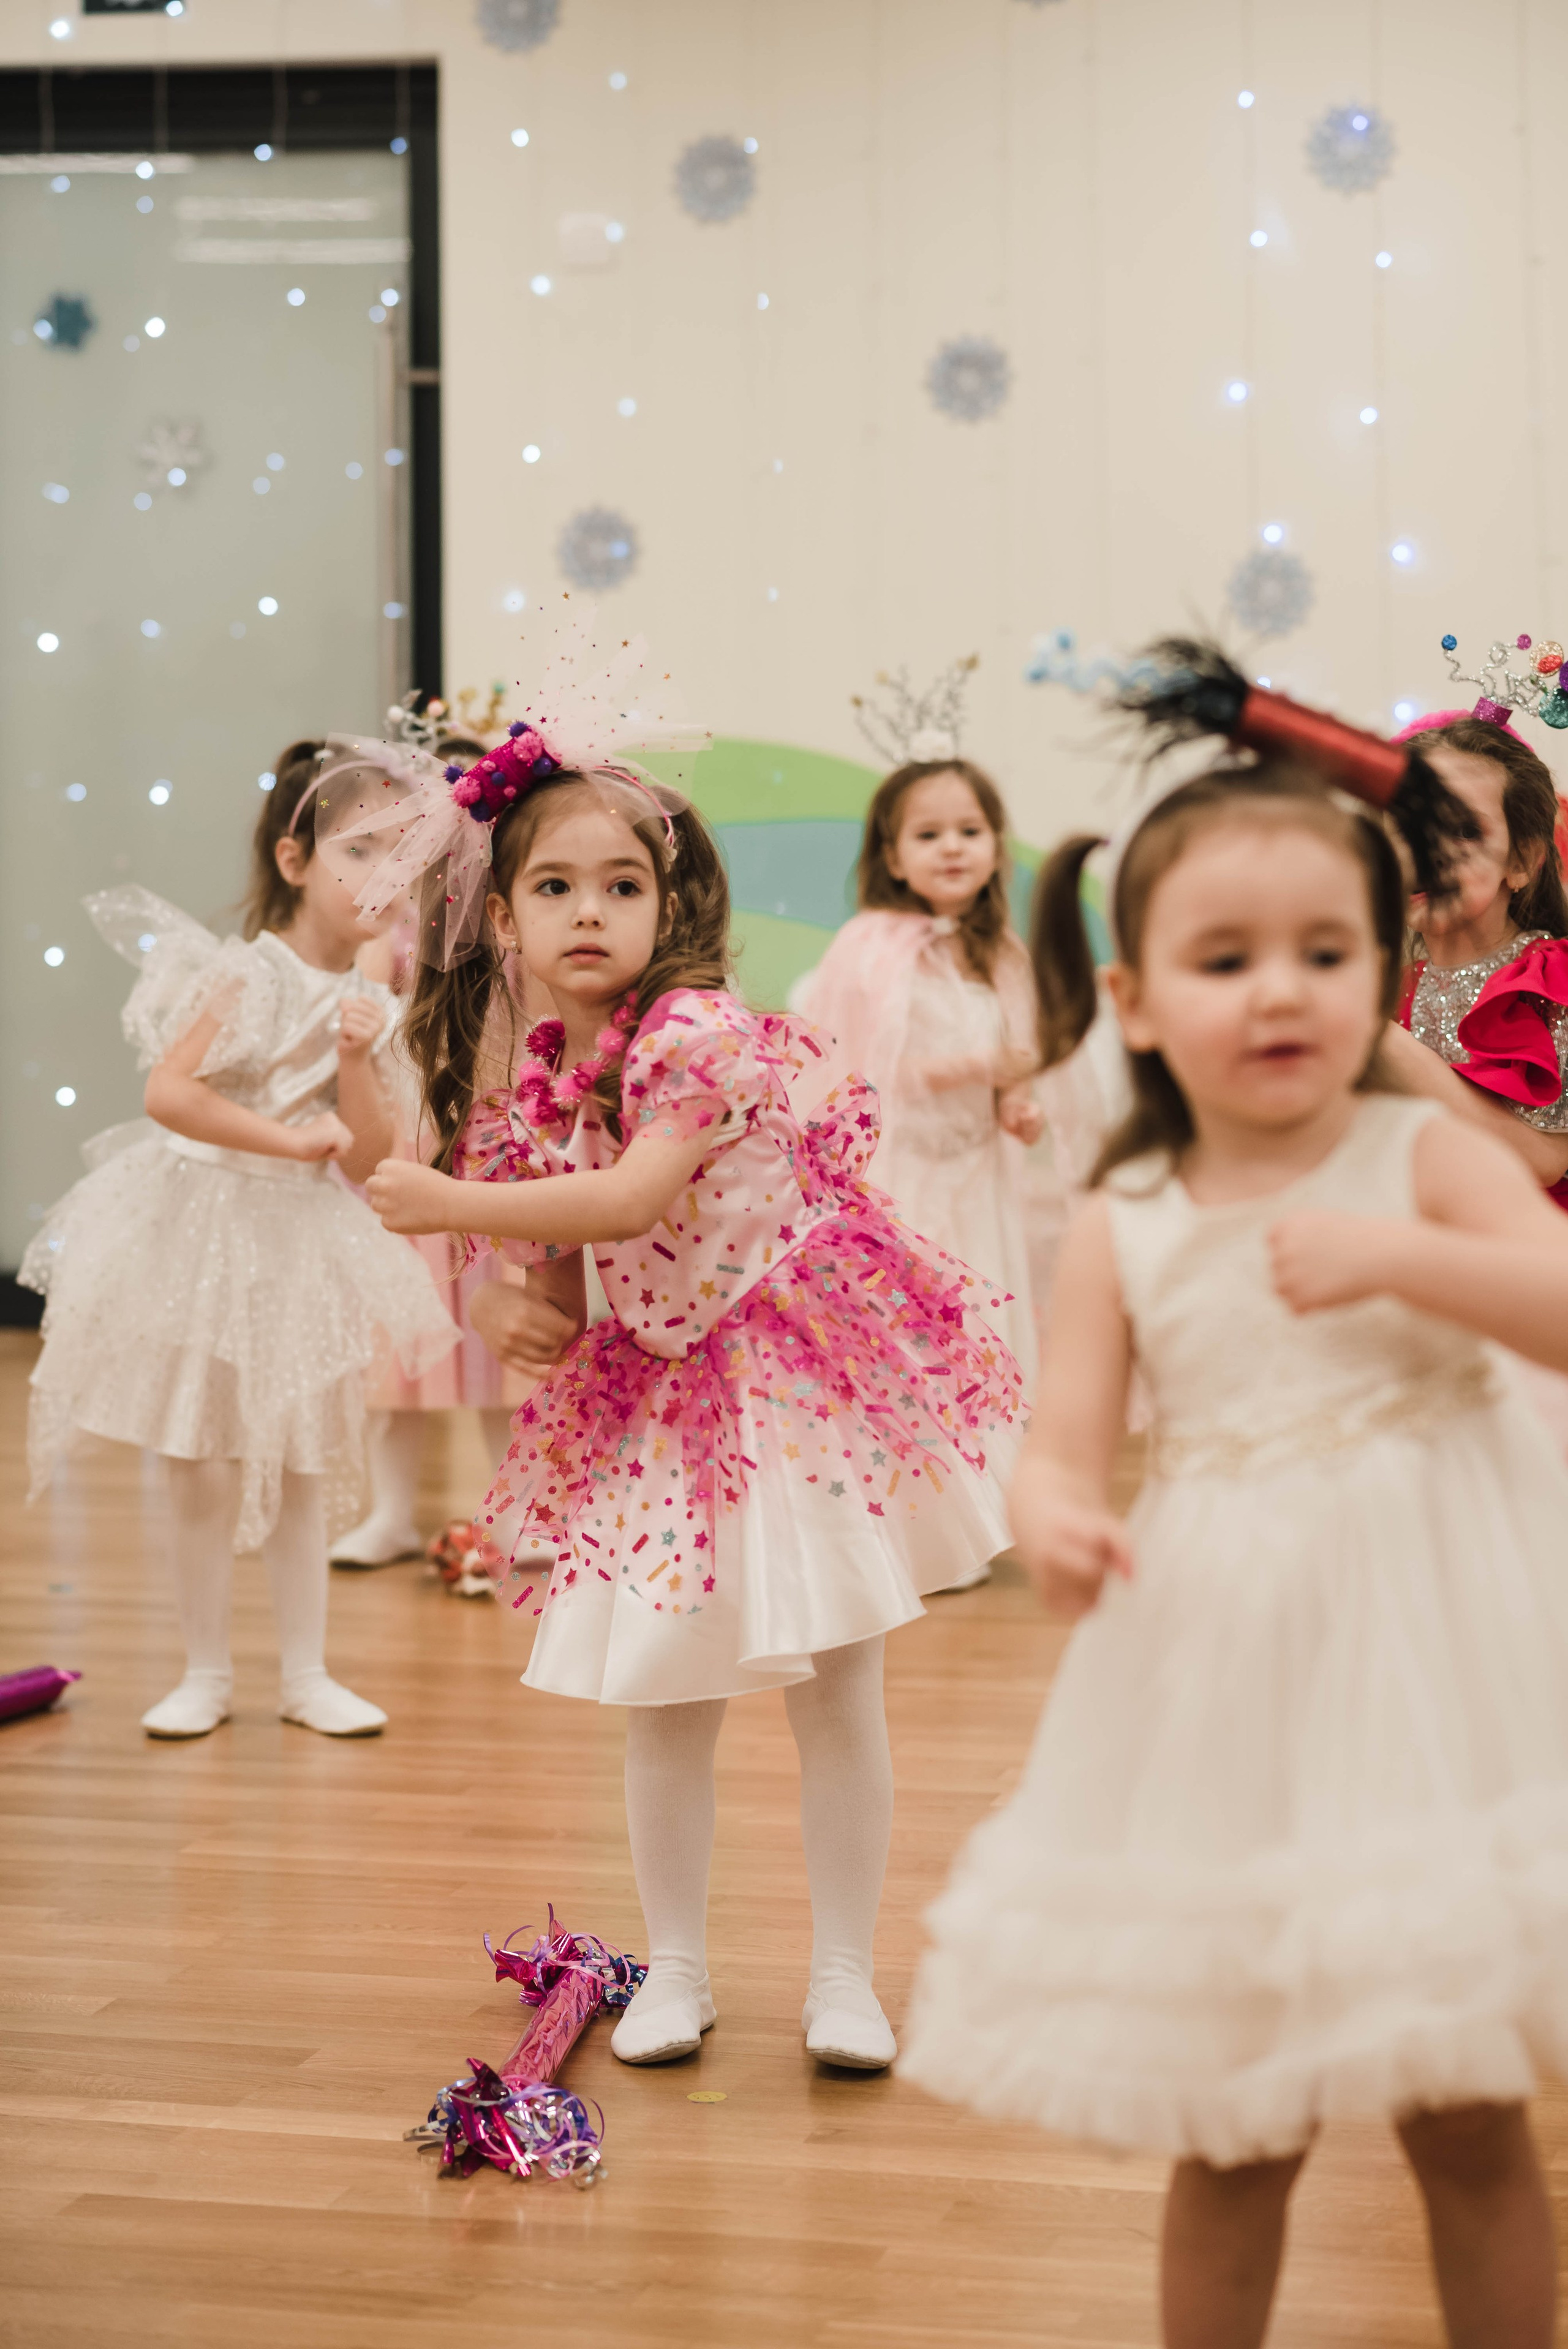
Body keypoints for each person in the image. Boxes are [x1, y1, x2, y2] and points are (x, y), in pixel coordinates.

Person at [901, 752, 1568, 2349]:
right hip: (1232, 1687)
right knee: (1236, 2118)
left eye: (1326, 954)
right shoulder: (1124, 1215)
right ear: (1135, 1000)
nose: (1282, 993)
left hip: (1441, 1668)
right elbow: (1065, 1436)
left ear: (1381, 975)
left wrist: (1403, 1253)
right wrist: (1054, 1513)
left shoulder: (1422, 1156)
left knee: (1467, 2108)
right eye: (1226, 959)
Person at [336, 606, 1023, 2072]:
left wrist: (444, 1198)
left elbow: (638, 1189)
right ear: (503, 915)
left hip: (787, 1372)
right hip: (663, 1387)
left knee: (837, 1674)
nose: (591, 910)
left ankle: (845, 1970)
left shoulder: (694, 1030)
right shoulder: (545, 1058)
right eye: (555, 885)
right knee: (667, 1687)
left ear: (672, 902)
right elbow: (564, 1245)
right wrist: (519, 1294)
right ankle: (681, 1967)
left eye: (624, 882)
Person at [20, 740, 457, 1737]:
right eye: (361, 852)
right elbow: (169, 1092)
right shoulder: (243, 973)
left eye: (402, 862)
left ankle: (305, 1674)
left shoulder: (376, 1002)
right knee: (202, 1454)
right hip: (205, 1228)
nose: (383, 881)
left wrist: (355, 1061)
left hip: (300, 1239)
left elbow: (368, 1152)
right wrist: (283, 1137)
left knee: (304, 1453)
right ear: (296, 860)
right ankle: (204, 1671)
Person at [795, 755, 1042, 1389]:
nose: (952, 848)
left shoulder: (1001, 951)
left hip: (976, 1172)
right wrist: (980, 1067)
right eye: (928, 835)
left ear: (995, 844)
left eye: (969, 830)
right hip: (903, 1175)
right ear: (895, 857)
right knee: (909, 1334)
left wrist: (1015, 1097)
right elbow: (864, 1065)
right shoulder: (868, 945)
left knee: (980, 1327)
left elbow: (1017, 1040)